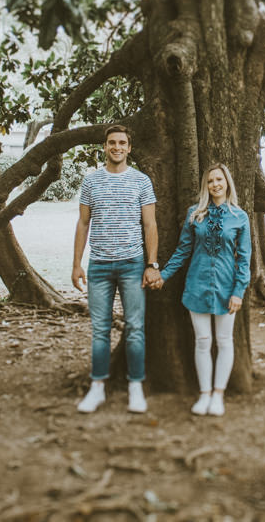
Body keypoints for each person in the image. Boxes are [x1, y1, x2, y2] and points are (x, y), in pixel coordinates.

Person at [72, 125, 161, 413]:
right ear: (105, 146)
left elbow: (150, 225)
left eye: (122, 142)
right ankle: (97, 388)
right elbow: (83, 223)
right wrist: (76, 264)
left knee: (135, 328)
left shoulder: (141, 181)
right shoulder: (91, 182)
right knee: (100, 330)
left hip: (133, 265)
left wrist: (152, 264)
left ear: (129, 148)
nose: (117, 147)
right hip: (98, 266)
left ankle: (136, 387)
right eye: (112, 142)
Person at [153, 163, 251, 417]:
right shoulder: (194, 214)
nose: (215, 184)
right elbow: (183, 251)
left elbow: (244, 258)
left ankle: (219, 395)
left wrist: (238, 291)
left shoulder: (239, 217)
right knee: (203, 341)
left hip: (227, 288)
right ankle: (204, 394)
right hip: (197, 286)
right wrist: (163, 275)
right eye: (210, 181)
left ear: (227, 182)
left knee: (225, 341)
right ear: (205, 186)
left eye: (219, 179)